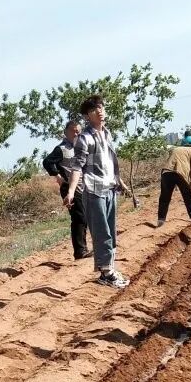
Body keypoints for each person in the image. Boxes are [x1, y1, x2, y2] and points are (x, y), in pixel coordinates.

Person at [64, 95, 131, 288]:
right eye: (94, 110)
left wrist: (120, 182)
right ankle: (106, 273)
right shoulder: (84, 139)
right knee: (102, 233)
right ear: (87, 116)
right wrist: (71, 191)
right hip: (94, 191)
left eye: (100, 107)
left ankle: (109, 268)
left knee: (111, 232)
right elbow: (77, 167)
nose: (99, 111)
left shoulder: (107, 134)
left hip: (110, 189)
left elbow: (110, 163)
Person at [42, 118, 91, 259]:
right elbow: (47, 162)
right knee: (79, 217)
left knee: (84, 217)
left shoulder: (81, 148)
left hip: (82, 186)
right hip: (69, 188)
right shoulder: (62, 149)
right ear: (66, 132)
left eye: (79, 131)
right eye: (73, 131)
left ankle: (83, 249)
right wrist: (58, 176)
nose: (76, 134)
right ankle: (80, 251)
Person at [157, 142, 191, 226]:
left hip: (166, 172)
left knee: (164, 197)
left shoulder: (181, 149)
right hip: (180, 173)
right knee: (188, 197)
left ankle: (160, 220)